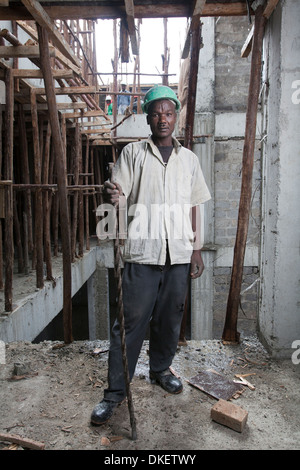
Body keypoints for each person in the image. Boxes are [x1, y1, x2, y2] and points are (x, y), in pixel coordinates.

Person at [91, 85, 211, 425]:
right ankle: (115, 393)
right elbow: (119, 191)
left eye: (169, 113)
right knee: (128, 325)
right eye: (156, 113)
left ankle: (160, 369)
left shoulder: (189, 160)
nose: (163, 119)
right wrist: (112, 192)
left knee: (170, 317)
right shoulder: (133, 154)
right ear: (148, 118)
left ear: (176, 117)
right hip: (142, 254)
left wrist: (197, 247)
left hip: (179, 255)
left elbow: (194, 206)